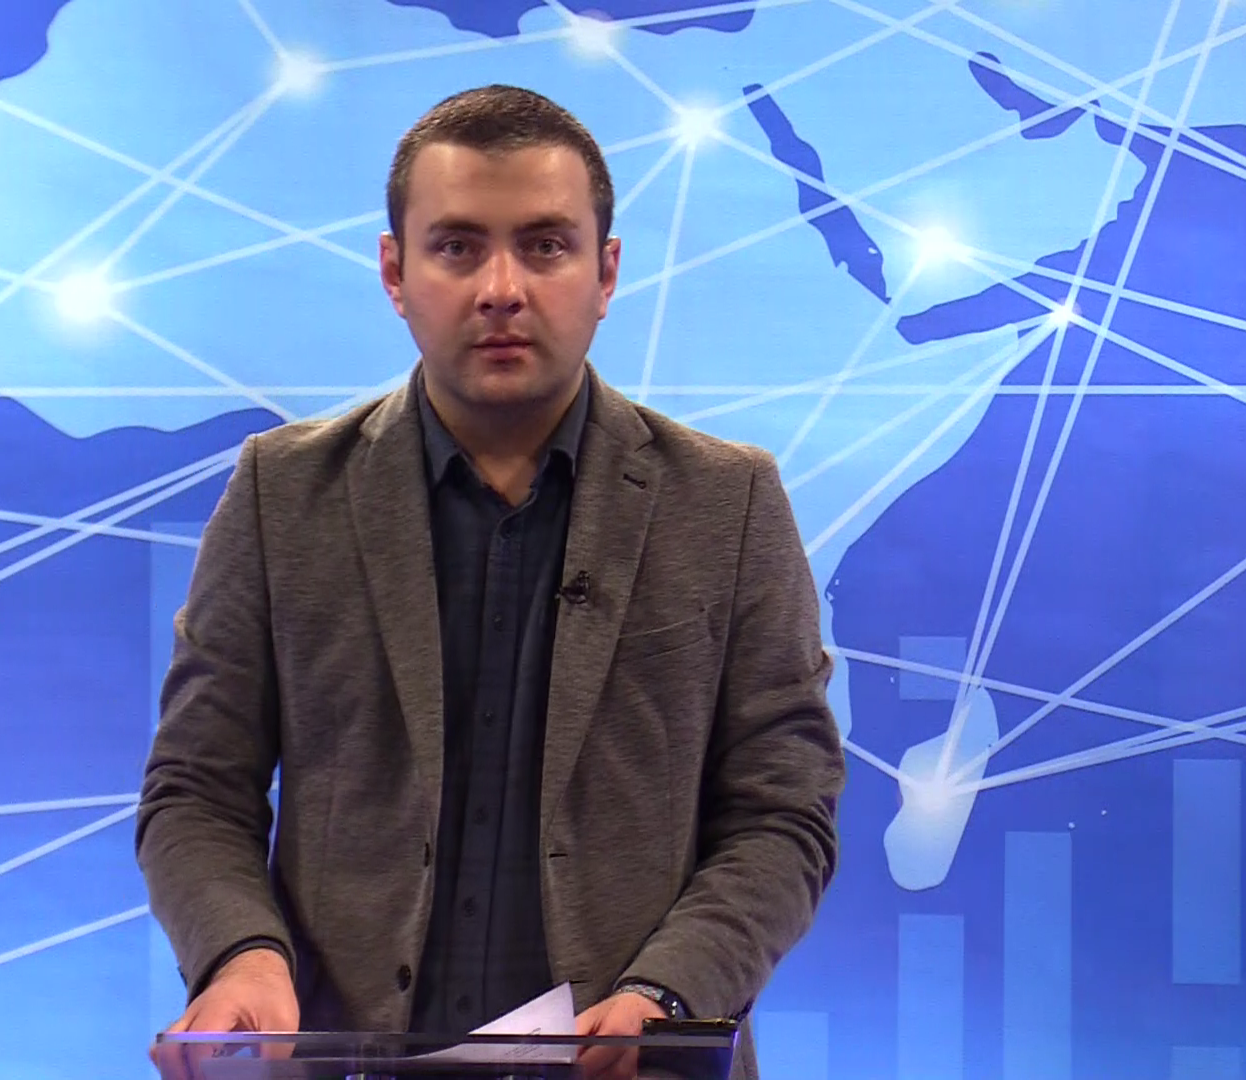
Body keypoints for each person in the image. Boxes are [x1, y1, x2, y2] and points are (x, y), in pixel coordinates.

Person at [137, 84, 845, 1080]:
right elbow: (196, 790)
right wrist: (242, 956)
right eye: (458, 247)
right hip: (346, 1060)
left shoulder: (728, 503)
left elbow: (783, 812)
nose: (501, 288)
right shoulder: (280, 494)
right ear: (396, 271)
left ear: (606, 273)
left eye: (545, 245)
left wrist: (668, 994)